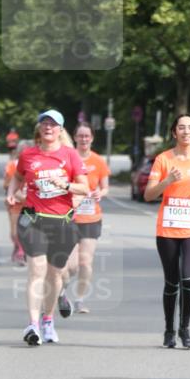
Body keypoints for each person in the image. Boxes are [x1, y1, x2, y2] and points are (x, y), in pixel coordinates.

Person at [6, 109, 89, 345]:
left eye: (53, 124)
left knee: (54, 275)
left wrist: (65, 184)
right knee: (36, 271)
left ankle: (48, 319)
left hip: (62, 223)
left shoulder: (70, 155)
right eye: (44, 123)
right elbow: (18, 176)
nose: (48, 127)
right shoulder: (28, 154)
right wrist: (12, 192)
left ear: (60, 130)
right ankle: (32, 325)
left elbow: (84, 188)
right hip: (33, 220)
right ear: (39, 128)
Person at [144, 112, 190, 348]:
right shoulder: (163, 159)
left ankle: (185, 330)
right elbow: (148, 195)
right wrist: (167, 181)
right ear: (174, 132)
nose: (187, 131)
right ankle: (169, 330)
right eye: (182, 127)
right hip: (168, 229)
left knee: (188, 278)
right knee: (172, 281)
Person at [58, 121, 111, 316]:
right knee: (69, 267)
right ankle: (61, 292)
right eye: (80, 136)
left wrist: (100, 193)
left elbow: (105, 187)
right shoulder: (67, 159)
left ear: (92, 138)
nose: (83, 139)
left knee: (85, 263)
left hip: (91, 218)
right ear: (74, 138)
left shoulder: (98, 161)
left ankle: (80, 300)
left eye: (87, 136)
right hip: (70, 218)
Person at [3, 141, 28, 263]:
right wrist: (15, 192)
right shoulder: (12, 165)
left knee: (25, 228)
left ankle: (21, 251)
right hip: (15, 203)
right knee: (14, 231)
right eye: (22, 150)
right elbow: (6, 184)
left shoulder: (36, 165)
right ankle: (18, 247)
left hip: (30, 204)